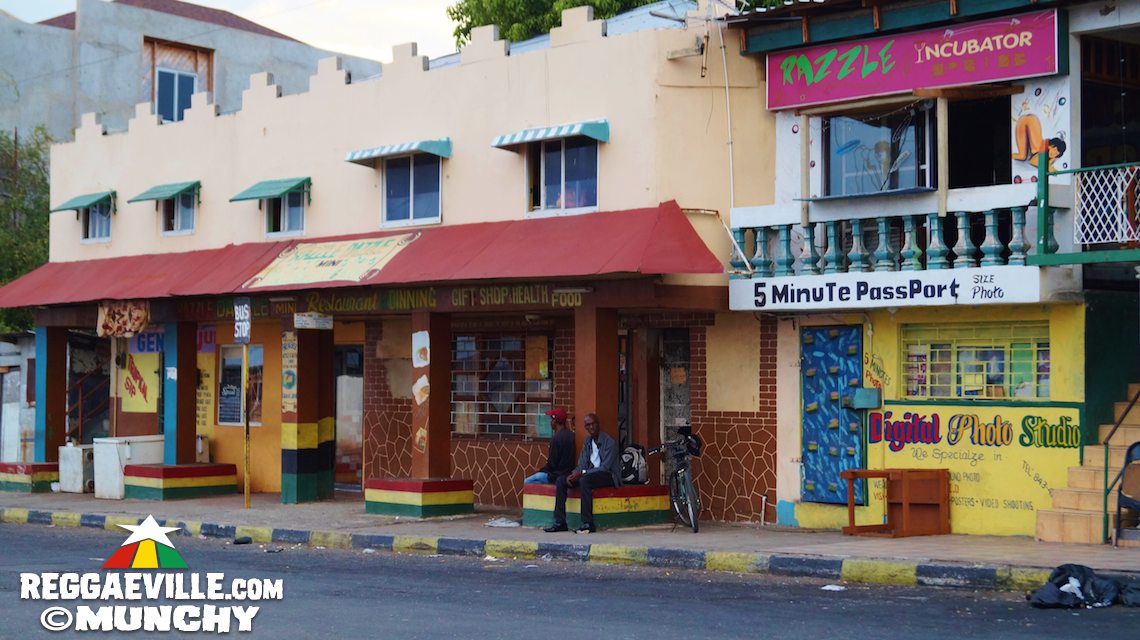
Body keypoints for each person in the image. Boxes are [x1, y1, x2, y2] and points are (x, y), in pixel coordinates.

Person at [544, 412, 622, 533]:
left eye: (594, 424)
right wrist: (573, 475)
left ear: (598, 424)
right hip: (589, 474)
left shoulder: (609, 442)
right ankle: (560, 522)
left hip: (609, 476)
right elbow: (581, 464)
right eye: (588, 425)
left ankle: (587, 523)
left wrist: (583, 473)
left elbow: (605, 467)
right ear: (585, 427)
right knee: (561, 480)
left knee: (584, 480)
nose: (591, 427)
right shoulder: (587, 442)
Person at [524, 408, 575, 485]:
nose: (550, 422)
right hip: (568, 473)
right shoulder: (571, 435)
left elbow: (552, 465)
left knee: (528, 482)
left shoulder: (556, 438)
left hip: (556, 476)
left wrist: (541, 470)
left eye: (551, 420)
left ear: (554, 422)